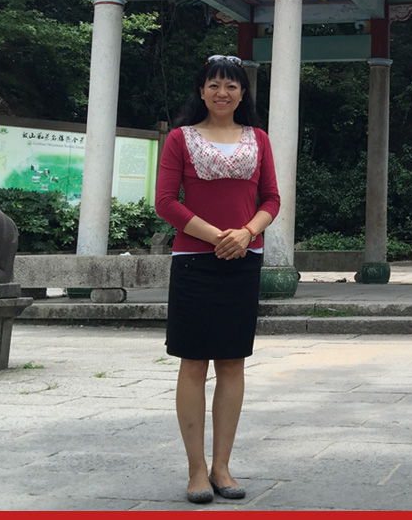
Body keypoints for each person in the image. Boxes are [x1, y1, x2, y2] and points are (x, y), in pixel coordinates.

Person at [155, 55, 281, 504]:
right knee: (193, 362)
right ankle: (195, 470)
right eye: (214, 85)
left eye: (231, 85)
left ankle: (221, 466)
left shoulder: (259, 139)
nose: (222, 92)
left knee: (232, 362)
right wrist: (216, 237)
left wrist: (246, 233)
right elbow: (166, 202)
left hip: (244, 260)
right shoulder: (180, 138)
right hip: (194, 261)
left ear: (243, 93)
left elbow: (271, 198)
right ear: (201, 91)